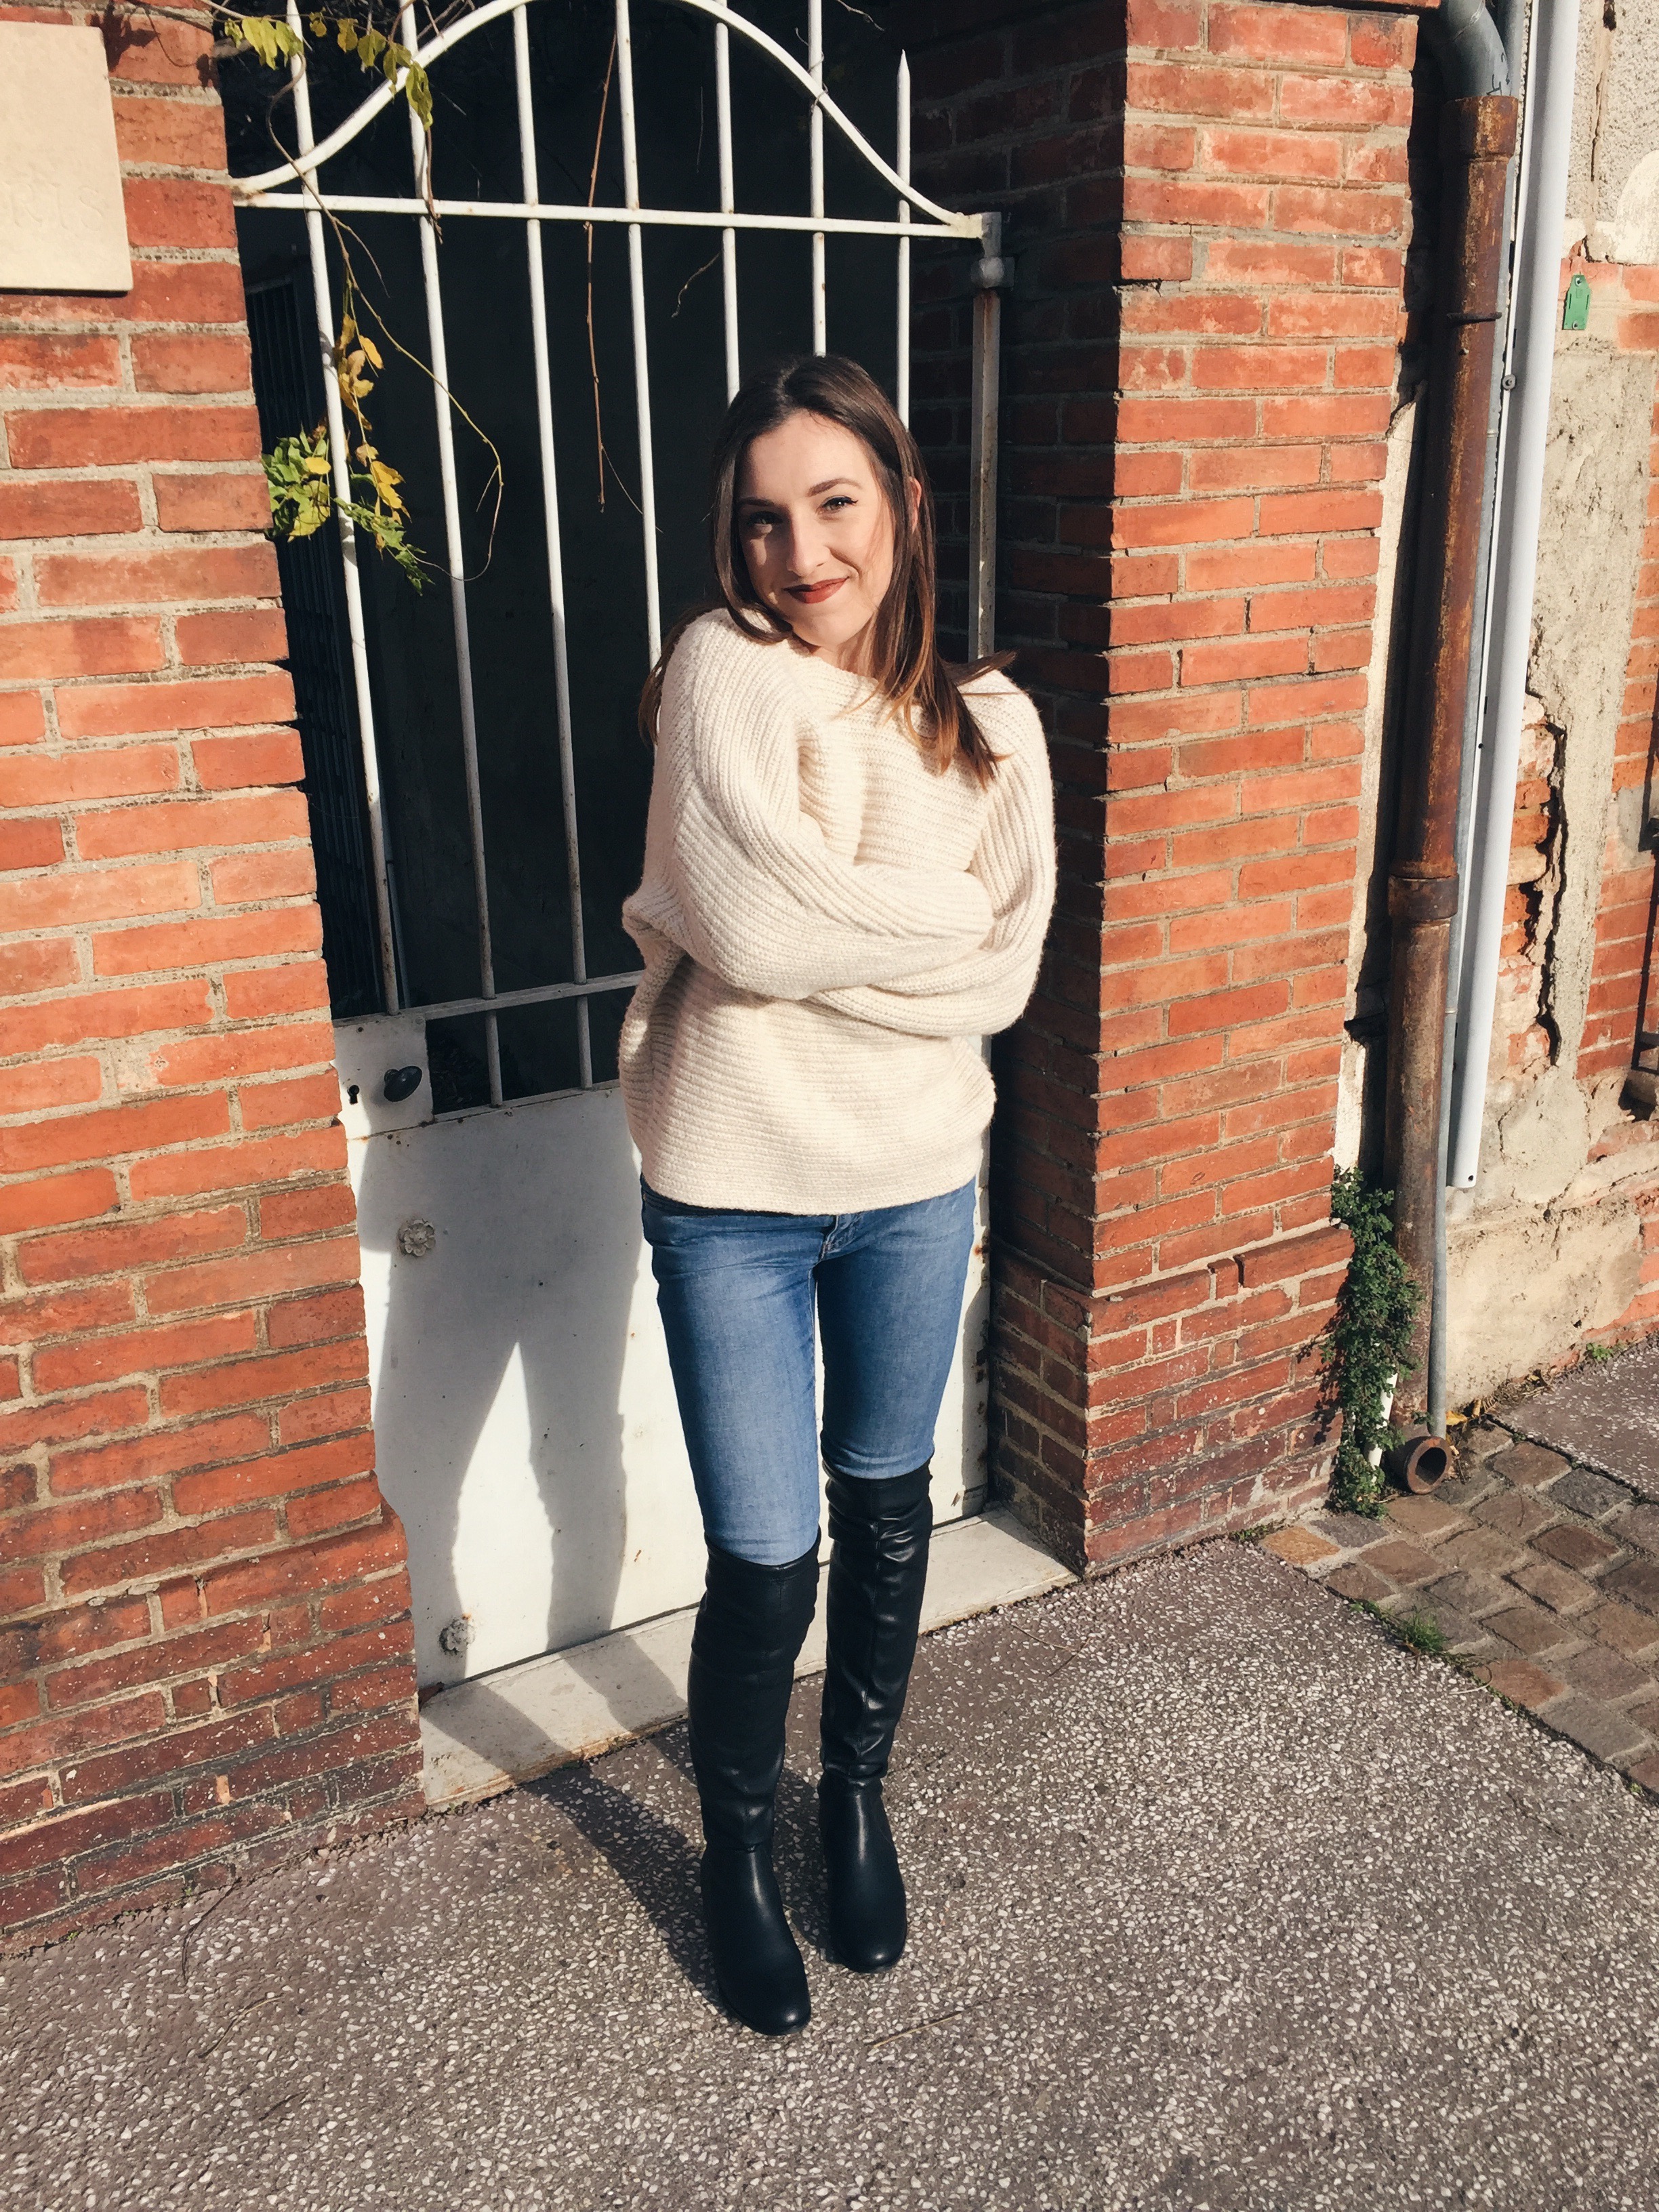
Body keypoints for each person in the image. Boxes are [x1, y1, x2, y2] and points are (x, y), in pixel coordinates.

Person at [619, 354, 1056, 2036]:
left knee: (888, 1506)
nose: (801, 554)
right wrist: (928, 927)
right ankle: (737, 1852)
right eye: (763, 521)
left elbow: (1005, 979)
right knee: (764, 1553)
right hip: (731, 1189)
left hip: (913, 1182)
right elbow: (754, 928)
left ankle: (852, 1798)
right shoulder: (724, 672)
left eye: (834, 505)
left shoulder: (996, 728)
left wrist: (844, 943)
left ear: (905, 506)